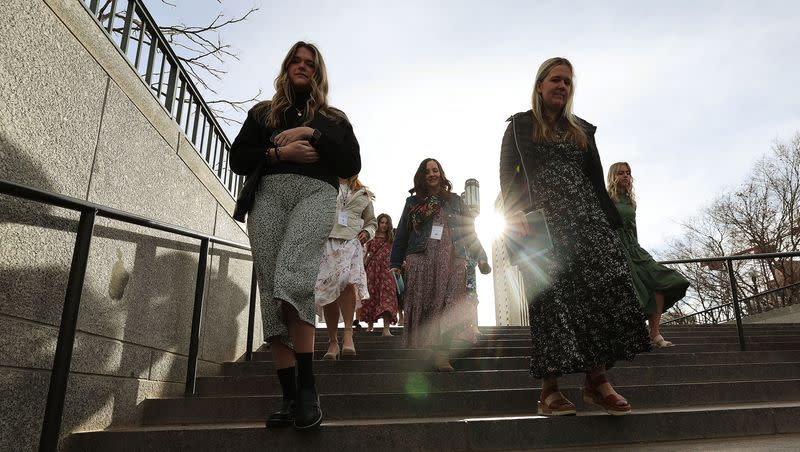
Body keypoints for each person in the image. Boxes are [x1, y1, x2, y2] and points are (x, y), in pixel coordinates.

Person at [499, 57, 650, 416]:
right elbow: (509, 172)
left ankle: (597, 381)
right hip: (543, 223)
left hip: (587, 219)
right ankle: (548, 389)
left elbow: (597, 181)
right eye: (556, 80)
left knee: (604, 290)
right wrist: (512, 209)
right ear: (540, 85)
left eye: (568, 82)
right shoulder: (521, 125)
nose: (562, 87)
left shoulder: (581, 129)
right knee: (551, 299)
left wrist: (611, 224)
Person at [229, 41, 360, 430]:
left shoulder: (333, 118)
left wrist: (311, 133)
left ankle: (308, 388)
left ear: (318, 73)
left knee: (292, 276)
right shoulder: (263, 113)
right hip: (268, 196)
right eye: (296, 61)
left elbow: (351, 162)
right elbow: (238, 158)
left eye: (310, 63)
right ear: (287, 67)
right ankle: (288, 396)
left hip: (314, 195)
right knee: (271, 289)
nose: (303, 67)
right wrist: (277, 154)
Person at [390, 158, 491, 371]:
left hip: (454, 255)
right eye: (427, 171)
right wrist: (395, 262)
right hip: (422, 256)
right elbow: (402, 233)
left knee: (452, 302)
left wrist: (481, 256)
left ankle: (443, 353)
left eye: (435, 170)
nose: (432, 174)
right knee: (428, 303)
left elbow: (469, 230)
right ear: (422, 176)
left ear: (441, 173)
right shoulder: (413, 202)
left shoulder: (455, 200)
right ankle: (433, 349)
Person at [607, 162, 690, 347]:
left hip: (634, 248)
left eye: (628, 173)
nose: (625, 176)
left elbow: (632, 228)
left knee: (661, 282)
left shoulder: (630, 201)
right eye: (620, 173)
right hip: (616, 249)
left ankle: (654, 333)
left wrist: (636, 249)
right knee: (634, 292)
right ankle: (633, 336)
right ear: (613, 176)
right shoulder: (606, 199)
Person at [316, 175, 376, 359]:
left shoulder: (364, 194)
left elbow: (371, 222)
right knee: (329, 290)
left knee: (348, 283)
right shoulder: (325, 184)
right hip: (327, 242)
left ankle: (348, 334)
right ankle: (333, 341)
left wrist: (367, 232)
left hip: (352, 241)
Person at [361, 213, 400, 336]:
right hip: (372, 271)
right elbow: (367, 254)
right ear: (377, 223)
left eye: (386, 223)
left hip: (387, 271)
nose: (384, 225)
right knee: (371, 297)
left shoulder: (392, 238)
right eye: (381, 222)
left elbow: (397, 254)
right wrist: (362, 267)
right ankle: (370, 325)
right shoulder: (371, 237)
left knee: (388, 297)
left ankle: (386, 329)